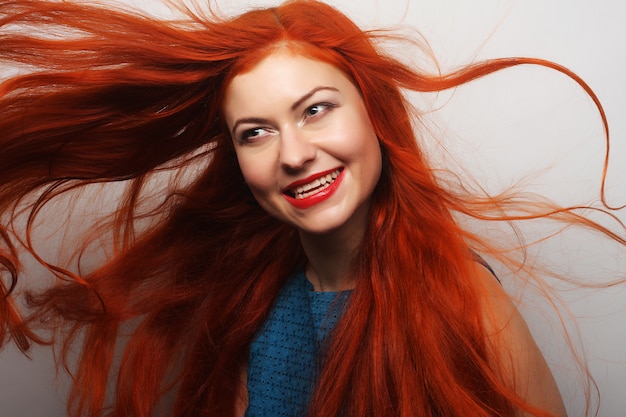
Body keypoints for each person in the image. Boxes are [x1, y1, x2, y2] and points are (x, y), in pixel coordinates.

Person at [0, 1, 622, 416]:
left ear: (375, 112)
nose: (293, 154)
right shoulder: (255, 306)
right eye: (256, 132)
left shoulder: (463, 298)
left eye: (315, 109)